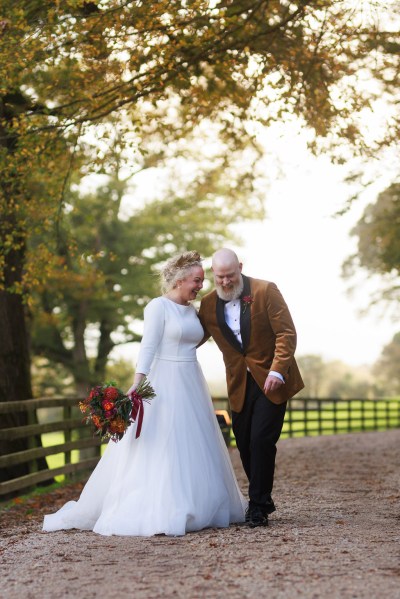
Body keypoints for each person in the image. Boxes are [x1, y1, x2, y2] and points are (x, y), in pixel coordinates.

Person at [43, 251, 246, 537]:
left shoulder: (192, 311)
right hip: (164, 382)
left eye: (202, 280)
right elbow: (148, 346)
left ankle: (197, 503)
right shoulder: (157, 307)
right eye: (197, 280)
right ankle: (162, 506)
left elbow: (195, 340)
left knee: (193, 441)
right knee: (164, 441)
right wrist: (138, 381)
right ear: (179, 279)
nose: (201, 286)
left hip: (191, 380)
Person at [198, 248, 304, 528]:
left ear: (240, 268)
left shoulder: (265, 290)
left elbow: (286, 333)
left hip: (272, 381)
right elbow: (192, 336)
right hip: (239, 386)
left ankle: (257, 506)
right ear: (213, 274)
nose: (225, 282)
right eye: (219, 277)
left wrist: (278, 370)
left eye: (230, 275)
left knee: (261, 441)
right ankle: (264, 498)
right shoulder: (208, 304)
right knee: (244, 444)